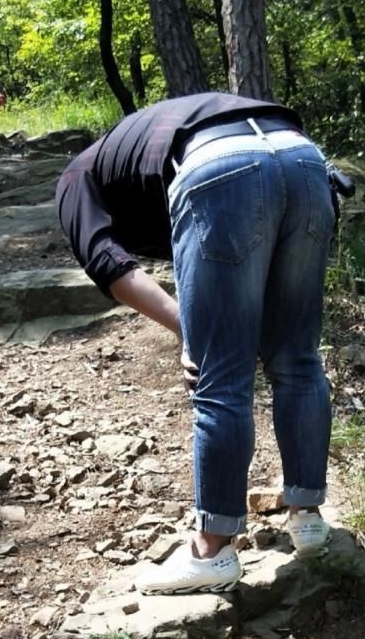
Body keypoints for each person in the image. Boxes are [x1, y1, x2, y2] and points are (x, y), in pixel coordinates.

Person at [56, 92, 335, 595]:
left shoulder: (76, 178)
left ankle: (212, 551)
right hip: (303, 156)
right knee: (297, 358)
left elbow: (109, 265)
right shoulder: (141, 149)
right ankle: (308, 516)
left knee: (220, 378)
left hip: (216, 166)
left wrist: (191, 329)